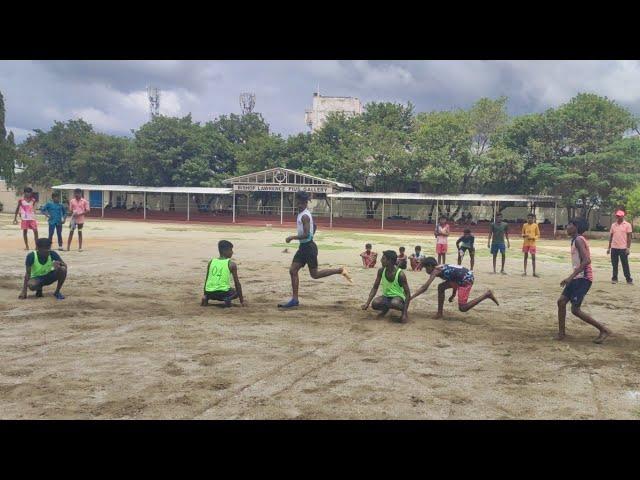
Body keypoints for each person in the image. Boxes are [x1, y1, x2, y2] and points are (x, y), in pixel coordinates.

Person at [278, 191, 352, 308]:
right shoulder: (302, 213)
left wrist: (292, 237)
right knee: (293, 270)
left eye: (300, 202)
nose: (298, 204)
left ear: (304, 202)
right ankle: (295, 299)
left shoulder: (305, 216)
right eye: (298, 201)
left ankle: (339, 270)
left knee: (315, 275)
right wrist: (310, 234)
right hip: (304, 247)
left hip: (309, 248)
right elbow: (314, 227)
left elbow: (307, 234)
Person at [557, 219, 611, 344]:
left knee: (575, 310)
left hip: (583, 278)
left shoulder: (578, 240)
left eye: (569, 225)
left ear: (575, 227)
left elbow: (587, 260)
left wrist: (570, 277)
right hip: (577, 277)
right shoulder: (575, 240)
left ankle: (604, 330)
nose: (567, 226)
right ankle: (561, 333)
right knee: (561, 302)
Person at [411, 257, 499, 319]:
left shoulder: (436, 271)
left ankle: (487, 295)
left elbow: (425, 287)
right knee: (441, 287)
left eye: (426, 268)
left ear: (430, 266)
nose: (426, 271)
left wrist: (411, 297)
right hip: (463, 276)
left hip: (466, 279)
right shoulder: (441, 267)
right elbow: (454, 276)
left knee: (463, 308)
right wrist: (453, 294)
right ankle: (439, 313)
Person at [361, 250, 410, 323]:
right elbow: (375, 287)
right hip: (386, 296)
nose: (381, 260)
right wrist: (367, 303)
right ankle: (385, 310)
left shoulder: (400, 274)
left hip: (398, 297)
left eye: (383, 258)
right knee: (375, 303)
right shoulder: (381, 271)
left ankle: (403, 311)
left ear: (389, 261)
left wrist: (405, 313)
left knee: (395, 303)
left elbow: (408, 294)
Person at [201, 240, 245, 308]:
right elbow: (237, 283)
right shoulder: (231, 264)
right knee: (236, 292)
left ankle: (206, 298)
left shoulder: (211, 262)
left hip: (210, 293)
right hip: (223, 294)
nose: (232, 252)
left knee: (211, 292)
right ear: (225, 251)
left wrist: (205, 294)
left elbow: (206, 280)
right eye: (231, 250)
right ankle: (227, 299)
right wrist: (242, 301)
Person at [607, 210, 633, 285]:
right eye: (617, 216)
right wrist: (609, 248)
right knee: (614, 264)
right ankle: (614, 278)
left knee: (625, 264)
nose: (618, 217)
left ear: (623, 216)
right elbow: (611, 237)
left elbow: (629, 237)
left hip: (623, 248)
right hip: (614, 247)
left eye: (619, 216)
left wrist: (628, 248)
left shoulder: (627, 225)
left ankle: (628, 279)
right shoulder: (613, 225)